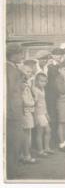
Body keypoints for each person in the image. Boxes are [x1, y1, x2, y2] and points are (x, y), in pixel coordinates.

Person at [6, 44, 25, 179]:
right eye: (20, 53)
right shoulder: (10, 69)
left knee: (14, 141)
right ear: (12, 55)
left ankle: (13, 169)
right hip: (13, 110)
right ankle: (12, 171)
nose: (22, 56)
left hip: (14, 108)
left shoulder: (13, 68)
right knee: (14, 141)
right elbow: (11, 91)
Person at [45, 48, 64, 148]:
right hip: (51, 94)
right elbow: (52, 82)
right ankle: (52, 139)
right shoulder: (50, 66)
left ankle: (57, 137)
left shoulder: (60, 65)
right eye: (56, 55)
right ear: (52, 55)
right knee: (52, 115)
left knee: (58, 115)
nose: (59, 56)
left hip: (58, 93)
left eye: (60, 55)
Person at [20, 61, 37, 164]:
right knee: (26, 134)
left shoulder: (28, 83)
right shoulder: (22, 85)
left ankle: (24, 154)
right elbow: (25, 100)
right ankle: (26, 155)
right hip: (25, 111)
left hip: (28, 111)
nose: (29, 74)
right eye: (27, 71)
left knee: (27, 133)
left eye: (30, 72)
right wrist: (33, 102)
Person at [33, 73, 54, 157]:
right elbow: (35, 104)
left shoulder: (42, 89)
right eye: (41, 81)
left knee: (48, 130)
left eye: (45, 81)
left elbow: (43, 103)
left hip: (43, 112)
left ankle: (47, 148)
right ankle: (40, 151)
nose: (43, 83)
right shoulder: (35, 90)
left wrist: (46, 114)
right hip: (38, 113)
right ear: (36, 81)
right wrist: (35, 117)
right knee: (40, 132)